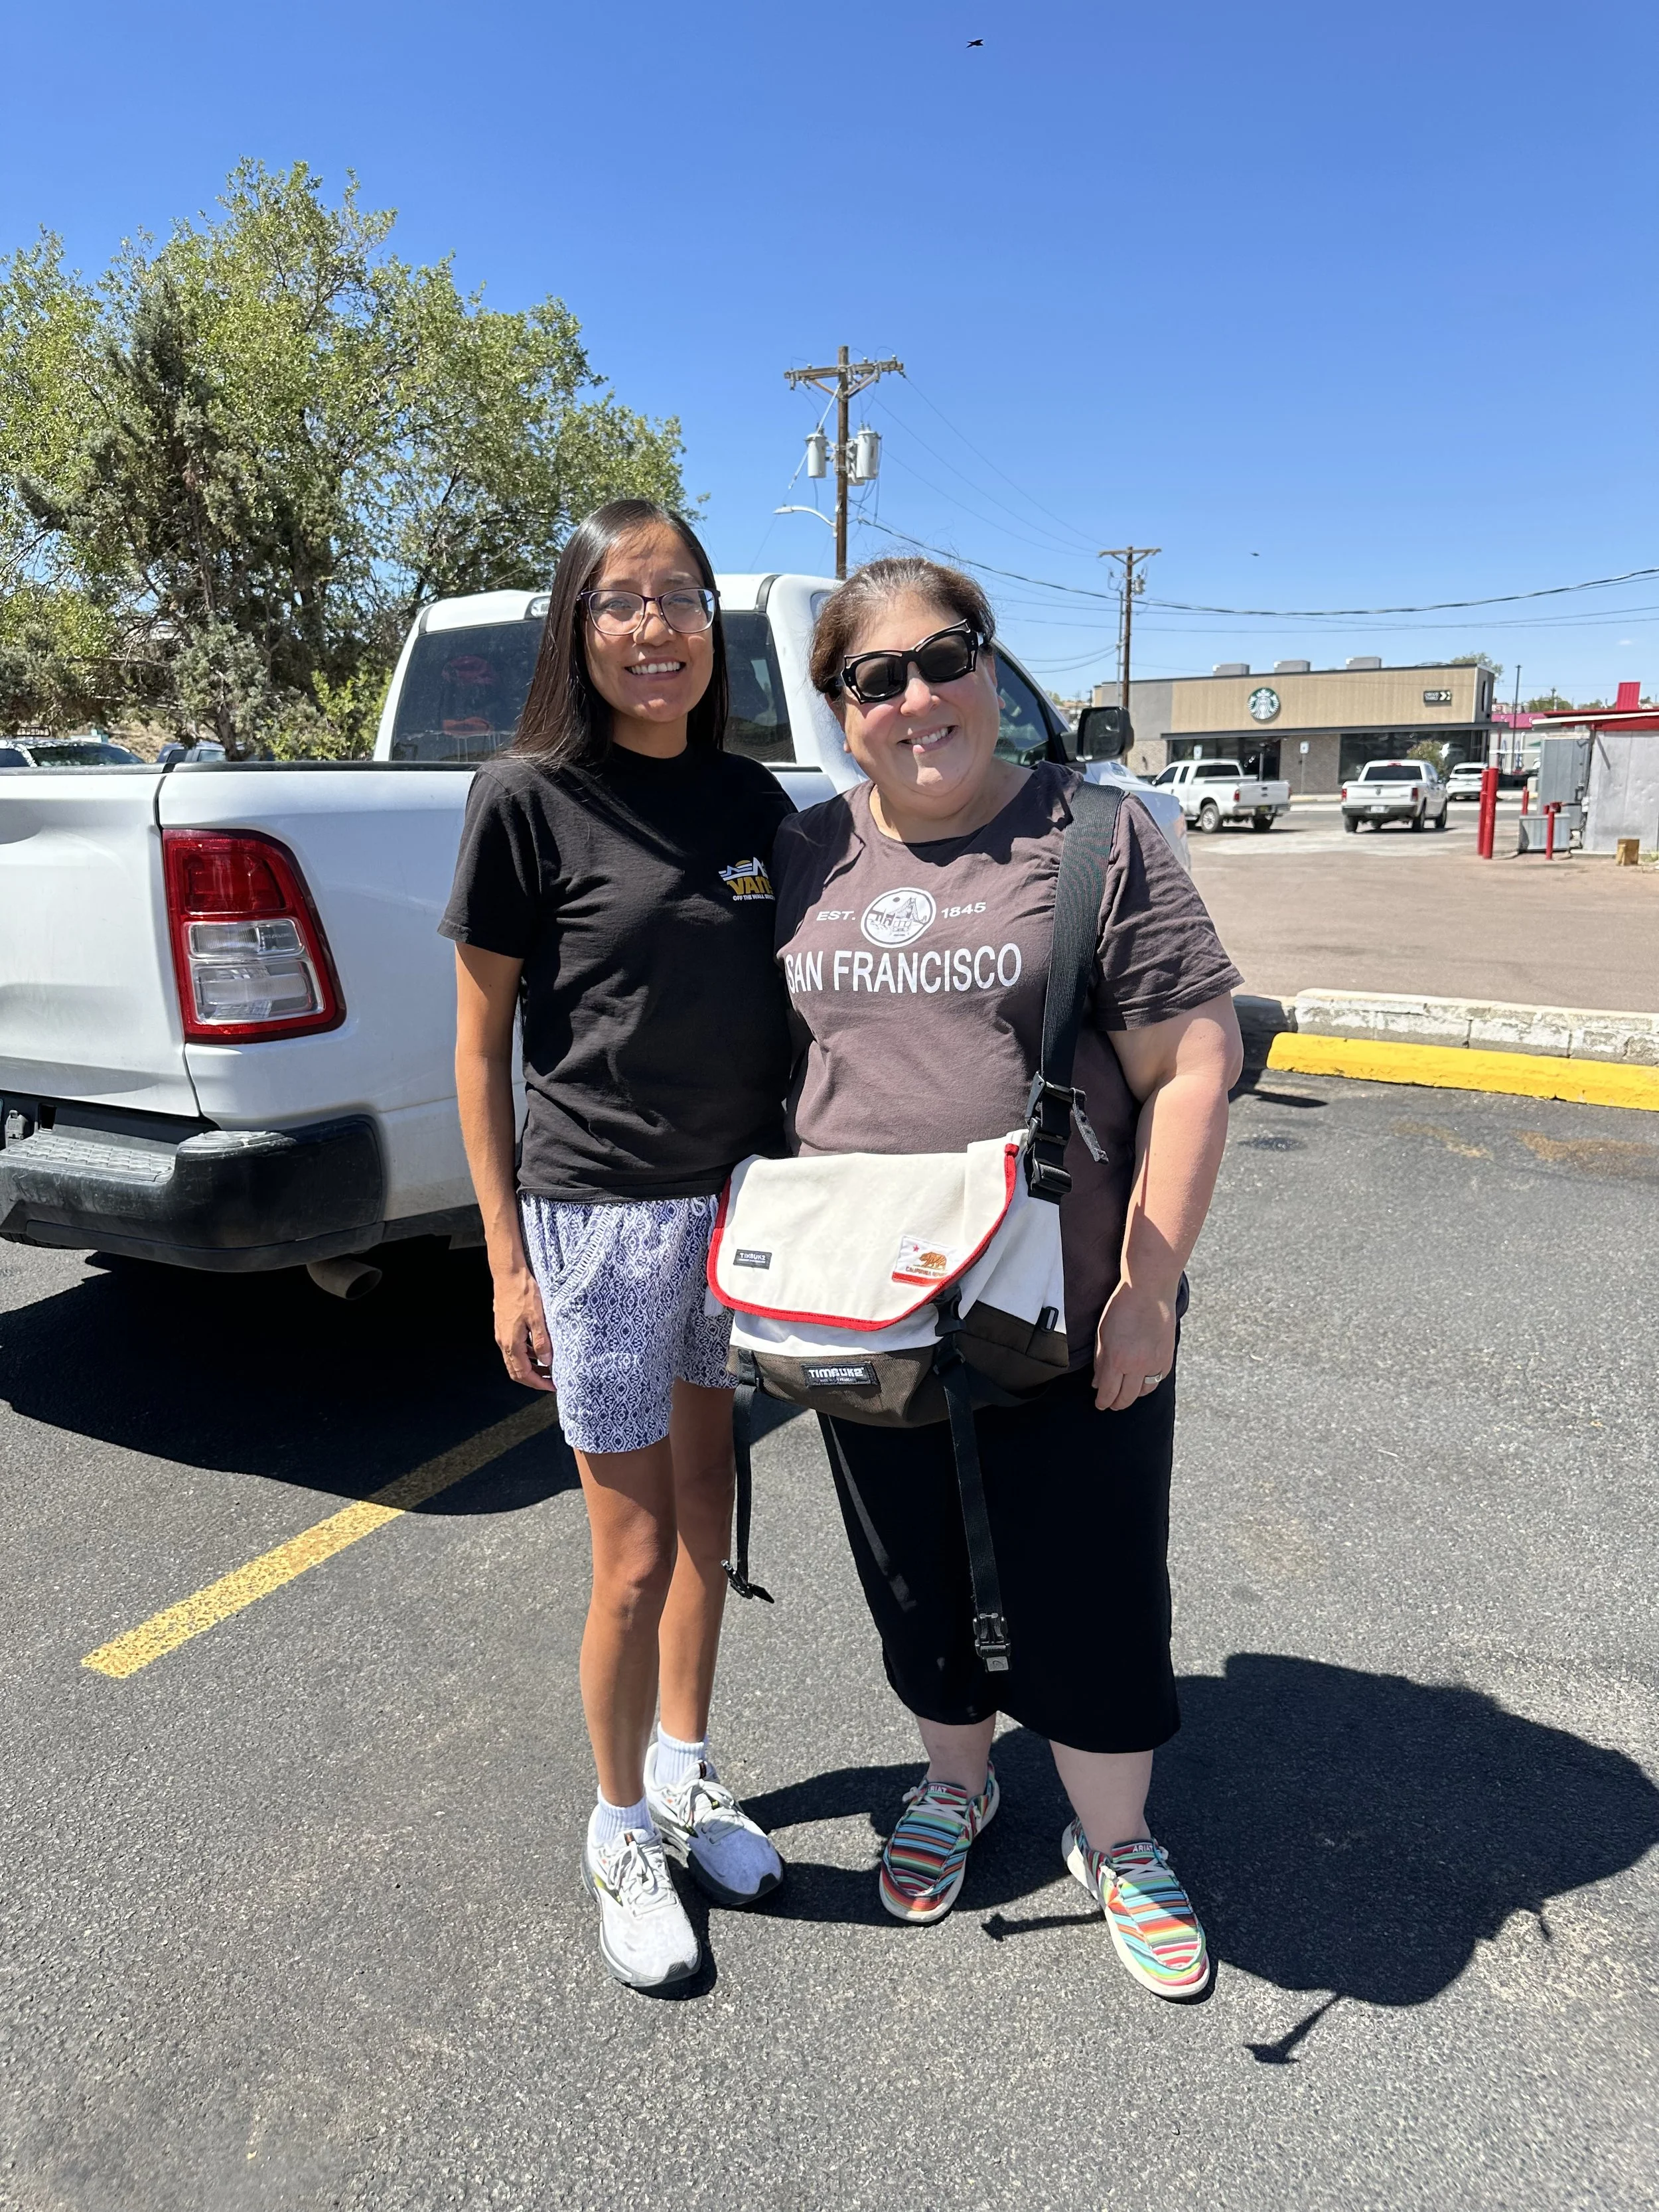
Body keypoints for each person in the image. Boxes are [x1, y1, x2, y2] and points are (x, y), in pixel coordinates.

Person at [770, 557, 1244, 2000]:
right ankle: (956, 1781)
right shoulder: (801, 853)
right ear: (840, 708)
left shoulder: (1093, 835)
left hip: (1064, 1307)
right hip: (869, 1305)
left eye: (947, 657)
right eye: (878, 677)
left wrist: (1148, 1287)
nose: (918, 697)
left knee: (1090, 1577)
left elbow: (1193, 1061)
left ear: (988, 669)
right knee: (915, 1574)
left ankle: (1118, 1838)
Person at [441, 500, 793, 1992]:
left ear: (716, 626)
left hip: (743, 1214)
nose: (658, 629)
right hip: (599, 1219)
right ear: (576, 627)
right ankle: (617, 1829)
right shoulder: (525, 797)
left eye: (684, 598)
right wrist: (506, 1258)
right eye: (623, 600)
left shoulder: (754, 800)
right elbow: (480, 1049)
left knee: (714, 1514)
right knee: (634, 1555)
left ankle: (685, 1775)